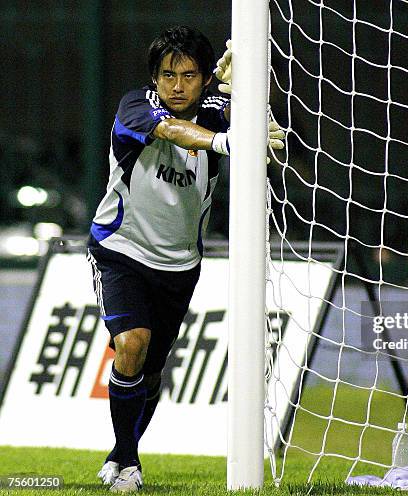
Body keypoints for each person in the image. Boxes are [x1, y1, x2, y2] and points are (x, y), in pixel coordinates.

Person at [87, 26, 282, 492]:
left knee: (151, 369)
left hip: (179, 265)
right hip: (121, 250)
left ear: (203, 80)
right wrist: (226, 142)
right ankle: (131, 463)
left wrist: (253, 102)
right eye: (167, 75)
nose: (177, 86)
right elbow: (172, 131)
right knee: (131, 344)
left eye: (190, 75)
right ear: (154, 79)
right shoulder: (136, 106)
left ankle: (119, 453)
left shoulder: (219, 111)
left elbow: (273, 144)